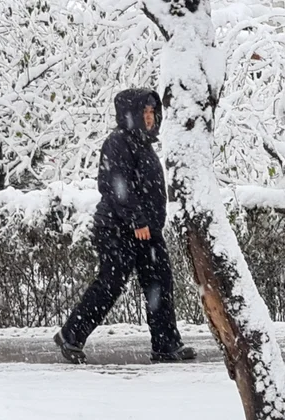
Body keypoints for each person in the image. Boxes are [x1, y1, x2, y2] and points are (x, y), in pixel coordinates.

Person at [53, 88, 196, 364]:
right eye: (144, 112)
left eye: (152, 112)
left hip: (146, 230)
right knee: (111, 283)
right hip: (118, 228)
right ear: (130, 113)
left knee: (159, 283)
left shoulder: (144, 144)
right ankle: (71, 335)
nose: (150, 117)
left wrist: (149, 223)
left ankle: (166, 345)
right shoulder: (118, 142)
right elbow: (117, 185)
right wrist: (137, 220)